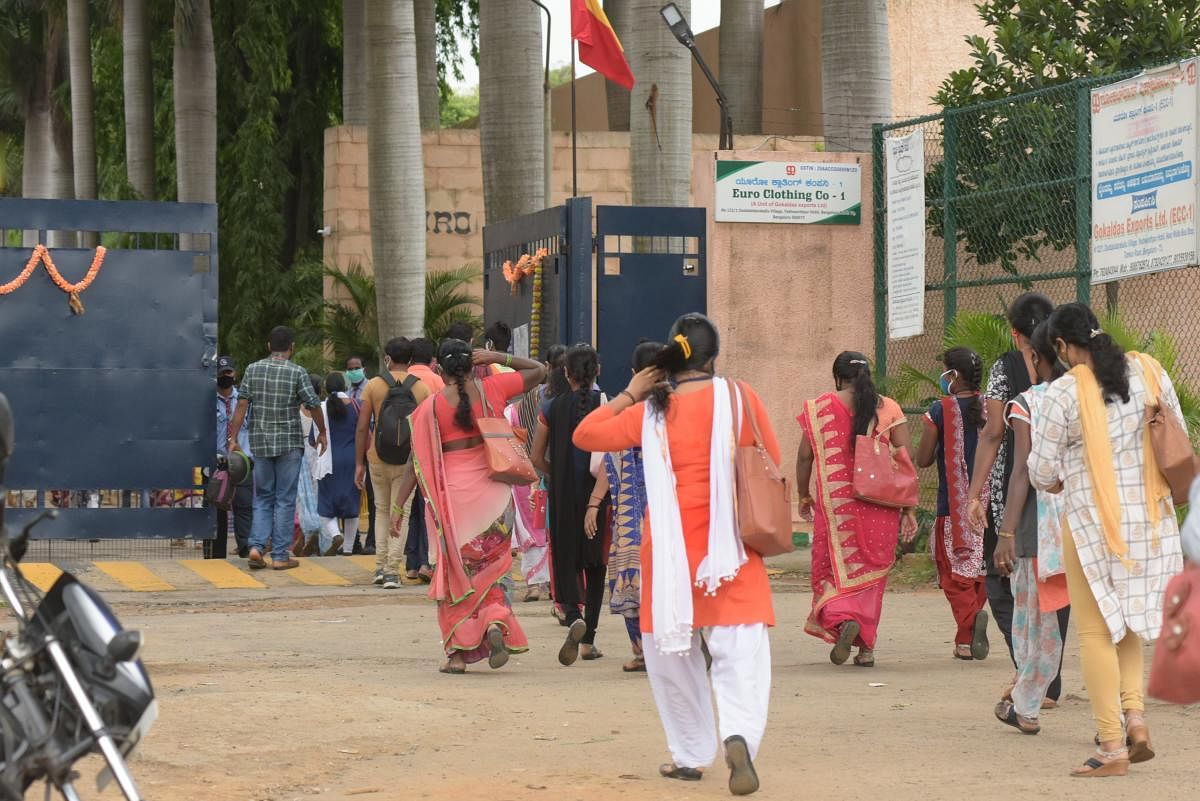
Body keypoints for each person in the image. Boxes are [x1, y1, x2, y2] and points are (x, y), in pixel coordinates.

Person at [574, 314, 775, 797]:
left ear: (670, 359)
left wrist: (630, 393)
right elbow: (768, 454)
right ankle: (739, 737)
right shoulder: (741, 398)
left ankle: (688, 755)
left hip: (669, 555)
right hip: (732, 552)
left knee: (673, 658)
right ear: (714, 356)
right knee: (740, 653)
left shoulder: (650, 412)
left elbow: (585, 435)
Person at [1028, 303, 1184, 777]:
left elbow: (1041, 468)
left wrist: (1054, 480)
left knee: (1096, 631)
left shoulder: (1064, 392)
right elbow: (1173, 428)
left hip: (1095, 527)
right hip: (1151, 523)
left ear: (1061, 345)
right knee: (1129, 624)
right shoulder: (1147, 371)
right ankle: (1135, 719)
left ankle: (1112, 746)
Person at [408, 339, 547, 674]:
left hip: (455, 500)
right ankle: (496, 623)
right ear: (474, 364)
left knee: (457, 572)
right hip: (495, 495)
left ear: (439, 369)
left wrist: (399, 510)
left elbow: (417, 462)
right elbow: (540, 371)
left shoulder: (431, 407)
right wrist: (500, 357)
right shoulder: (494, 387)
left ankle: (457, 653)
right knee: (493, 568)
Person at [796, 352, 917, 668]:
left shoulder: (819, 408)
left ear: (838, 377)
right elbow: (906, 457)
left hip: (838, 509)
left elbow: (805, 457)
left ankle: (841, 620)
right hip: (880, 507)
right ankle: (866, 648)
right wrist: (908, 510)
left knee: (830, 568)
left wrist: (802, 496)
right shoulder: (888, 407)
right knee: (871, 579)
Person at [966, 292, 1055, 678]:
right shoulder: (1068, 367)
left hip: (1012, 487)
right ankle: (1048, 674)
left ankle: (1028, 670)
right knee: (1052, 580)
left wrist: (974, 494)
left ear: (1013, 332)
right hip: (1060, 488)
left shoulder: (1004, 368)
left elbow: (992, 432)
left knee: (1000, 579)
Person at [992, 320, 1071, 735]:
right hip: (1088, 522)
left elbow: (1021, 469)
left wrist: (1005, 533)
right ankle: (1124, 718)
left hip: (1039, 527)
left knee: (1032, 618)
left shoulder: (1029, 401)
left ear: (1036, 357)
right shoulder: (1092, 395)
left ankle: (1026, 702)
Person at [588, 340, 662, 672]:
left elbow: (603, 459)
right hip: (672, 519)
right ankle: (679, 647)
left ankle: (643, 650)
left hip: (631, 520)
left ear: (634, 374)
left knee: (632, 581)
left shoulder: (621, 414)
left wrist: (594, 503)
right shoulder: (680, 412)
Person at [532, 344, 609, 664]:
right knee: (595, 563)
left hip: (562, 495)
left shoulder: (550, 407)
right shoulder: (605, 404)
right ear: (597, 373)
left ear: (565, 373)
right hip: (596, 496)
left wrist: (556, 475)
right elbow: (610, 455)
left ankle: (573, 614)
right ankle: (589, 639)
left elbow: (536, 456)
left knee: (567, 558)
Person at [228, 326, 326, 571]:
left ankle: (256, 547)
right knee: (285, 499)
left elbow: (241, 404)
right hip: (289, 444)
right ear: (292, 348)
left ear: (268, 346)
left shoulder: (253, 369)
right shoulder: (298, 372)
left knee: (262, 497)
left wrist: (233, 437)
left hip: (260, 443)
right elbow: (313, 404)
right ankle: (280, 555)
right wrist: (322, 431)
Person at [915, 347, 989, 660]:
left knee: (951, 572)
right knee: (980, 570)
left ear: (952, 376)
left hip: (953, 506)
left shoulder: (939, 410)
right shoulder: (993, 407)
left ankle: (969, 627)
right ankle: (966, 637)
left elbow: (923, 458)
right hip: (990, 506)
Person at [354, 337, 431, 589]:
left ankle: (379, 566)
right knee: (402, 512)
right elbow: (425, 429)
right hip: (408, 460)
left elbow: (363, 426)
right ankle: (391, 571)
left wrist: (359, 464)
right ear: (410, 359)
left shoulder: (374, 385)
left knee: (382, 509)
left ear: (387, 358)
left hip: (377, 456)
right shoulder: (421, 389)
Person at [504, 345, 566, 602]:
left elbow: (509, 438)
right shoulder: (583, 398)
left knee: (533, 528)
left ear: (547, 368)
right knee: (560, 529)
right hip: (564, 474)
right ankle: (559, 583)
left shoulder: (522, 404)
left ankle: (535, 583)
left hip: (528, 473)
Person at [401, 337, 443, 583]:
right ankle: (428, 562)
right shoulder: (436, 381)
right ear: (433, 359)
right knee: (426, 507)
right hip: (427, 451)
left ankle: (411, 564)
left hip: (397, 453)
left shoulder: (399, 377)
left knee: (411, 512)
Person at [210, 355, 252, 559]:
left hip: (242, 461)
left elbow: (251, 428)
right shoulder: (207, 401)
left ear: (235, 373)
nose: (225, 376)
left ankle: (246, 548)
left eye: (228, 372)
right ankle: (216, 554)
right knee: (217, 507)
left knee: (244, 506)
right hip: (218, 463)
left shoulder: (244, 401)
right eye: (221, 373)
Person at [315, 372, 361, 556]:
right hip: (352, 460)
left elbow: (314, 439)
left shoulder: (321, 408)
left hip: (328, 462)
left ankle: (335, 535)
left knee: (326, 507)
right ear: (344, 386)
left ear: (326, 389)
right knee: (352, 505)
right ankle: (348, 549)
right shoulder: (357, 406)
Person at [297, 374, 325, 555]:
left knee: (302, 499)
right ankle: (320, 539)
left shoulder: (297, 408)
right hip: (320, 453)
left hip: (301, 453)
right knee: (318, 496)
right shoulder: (321, 408)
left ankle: (308, 535)